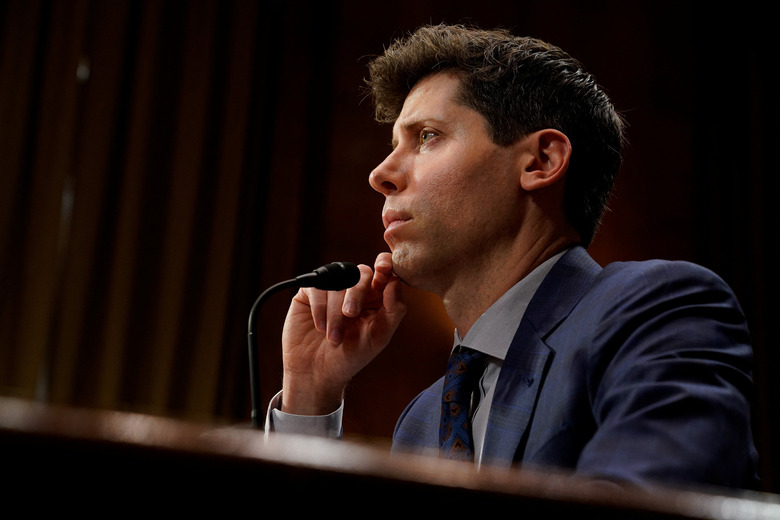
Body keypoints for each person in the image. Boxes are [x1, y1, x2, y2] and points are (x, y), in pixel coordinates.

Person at [265, 23, 759, 490]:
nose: (380, 174)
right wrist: (311, 395)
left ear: (540, 162)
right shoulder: (420, 422)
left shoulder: (655, 311)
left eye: (427, 137)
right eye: (394, 145)